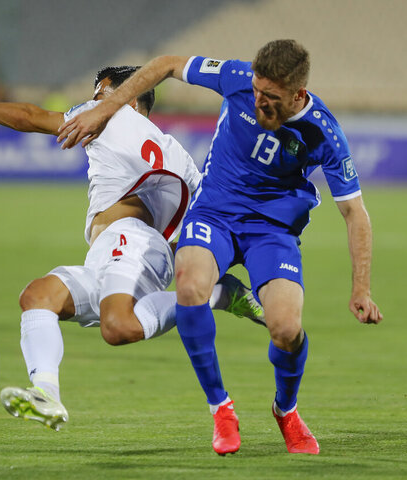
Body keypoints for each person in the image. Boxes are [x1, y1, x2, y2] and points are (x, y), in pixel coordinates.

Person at [58, 39, 383, 455]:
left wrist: (361, 289)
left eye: (272, 98)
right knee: (191, 286)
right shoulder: (235, 77)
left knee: (285, 329)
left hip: (272, 230)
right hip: (215, 213)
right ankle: (221, 409)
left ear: (299, 94)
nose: (259, 102)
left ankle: (286, 410)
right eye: (257, 92)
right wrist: (105, 108)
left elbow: (355, 214)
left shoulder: (324, 133)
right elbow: (166, 64)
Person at [0, 66, 264, 431]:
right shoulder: (179, 157)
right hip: (117, 252)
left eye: (101, 93)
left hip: (133, 242)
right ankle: (46, 394)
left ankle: (219, 295)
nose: (93, 102)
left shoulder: (112, 114)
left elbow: (30, 116)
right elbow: (199, 223)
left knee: (117, 327)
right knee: (38, 296)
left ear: (131, 98)